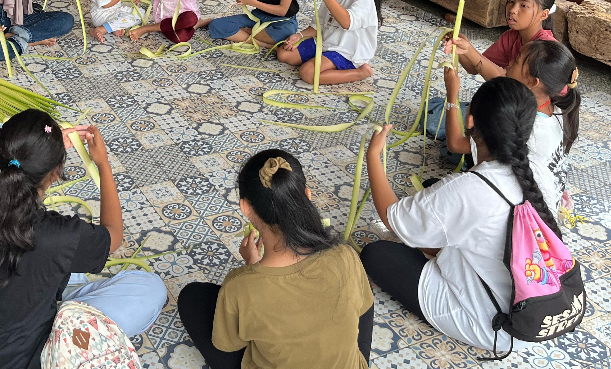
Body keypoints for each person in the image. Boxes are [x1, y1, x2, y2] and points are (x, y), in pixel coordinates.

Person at [0, 110, 166, 369]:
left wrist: (40, 156)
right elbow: (114, 234)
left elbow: (2, 187)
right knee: (150, 289)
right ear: (55, 174)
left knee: (65, 273)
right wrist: (103, 164)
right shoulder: (60, 236)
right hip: (16, 363)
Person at [361, 77, 560, 354]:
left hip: (492, 323)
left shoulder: (467, 190)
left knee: (376, 255)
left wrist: (373, 154)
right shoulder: (538, 170)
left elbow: (391, 216)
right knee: (435, 207)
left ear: (470, 120)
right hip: (537, 310)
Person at [178, 149, 374, 369]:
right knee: (359, 297)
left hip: (249, 292)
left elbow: (227, 345)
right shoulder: (346, 256)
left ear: (245, 208)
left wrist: (252, 270)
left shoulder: (240, 286)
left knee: (192, 297)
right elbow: (363, 309)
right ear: (307, 196)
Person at [443, 40, 580, 217]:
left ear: (532, 81)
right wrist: (468, 50)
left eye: (516, 60)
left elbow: (455, 144)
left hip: (523, 215)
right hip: (546, 205)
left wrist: (451, 95)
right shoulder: (556, 108)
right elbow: (502, 79)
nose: (509, 63)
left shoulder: (525, 125)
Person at [445, 0, 558, 80]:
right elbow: (473, 67)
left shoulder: (546, 49)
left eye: (523, 5)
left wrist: (469, 50)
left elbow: (507, 83)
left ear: (543, 14)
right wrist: (459, 45)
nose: (512, 10)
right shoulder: (510, 37)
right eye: (511, 1)